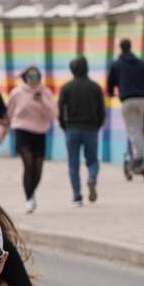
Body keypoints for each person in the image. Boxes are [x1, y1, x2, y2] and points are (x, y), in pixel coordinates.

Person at [5, 65, 57, 212]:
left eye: (37, 76)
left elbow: (53, 114)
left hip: (39, 132)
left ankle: (32, 192)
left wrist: (42, 102)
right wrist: (2, 133)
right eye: (31, 76)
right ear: (25, 77)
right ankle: (29, 198)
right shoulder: (17, 93)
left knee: (38, 168)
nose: (34, 80)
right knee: (28, 164)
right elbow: (8, 114)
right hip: (22, 131)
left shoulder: (45, 92)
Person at [57, 56, 105, 204]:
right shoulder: (95, 87)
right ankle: (92, 177)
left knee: (73, 163)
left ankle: (77, 196)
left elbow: (60, 110)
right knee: (92, 160)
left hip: (72, 129)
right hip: (91, 129)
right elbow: (101, 111)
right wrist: (97, 126)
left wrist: (64, 126)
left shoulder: (66, 87)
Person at [106, 38, 144, 181]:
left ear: (120, 48)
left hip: (127, 99)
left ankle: (138, 158)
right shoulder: (142, 63)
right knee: (143, 128)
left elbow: (110, 83)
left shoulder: (116, 64)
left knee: (133, 130)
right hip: (143, 99)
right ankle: (141, 156)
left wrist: (111, 92)